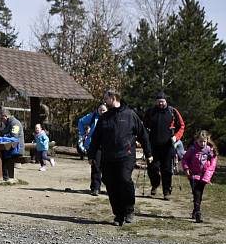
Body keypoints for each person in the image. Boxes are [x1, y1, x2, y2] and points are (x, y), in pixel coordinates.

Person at [87, 89, 152, 226]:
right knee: (111, 184)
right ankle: (118, 214)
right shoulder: (105, 117)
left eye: (106, 98)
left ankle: (129, 209)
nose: (104, 100)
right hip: (108, 157)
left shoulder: (130, 115)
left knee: (124, 180)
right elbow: (96, 138)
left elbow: (143, 135)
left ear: (113, 97)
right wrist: (91, 155)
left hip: (126, 156)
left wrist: (148, 153)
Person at [143, 91, 185, 200]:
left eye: (162, 101)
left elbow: (181, 126)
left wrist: (176, 137)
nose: (160, 104)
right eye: (158, 102)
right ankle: (155, 185)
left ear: (166, 101)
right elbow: (144, 127)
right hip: (153, 146)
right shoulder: (150, 112)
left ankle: (166, 191)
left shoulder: (172, 112)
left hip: (168, 146)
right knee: (152, 168)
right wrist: (144, 138)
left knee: (167, 170)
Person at [181, 130, 218, 223]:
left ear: (207, 140)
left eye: (204, 141)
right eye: (200, 141)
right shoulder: (192, 149)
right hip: (193, 175)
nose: (202, 143)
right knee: (196, 192)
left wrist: (207, 176)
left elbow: (212, 164)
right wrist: (186, 169)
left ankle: (196, 210)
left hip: (204, 176)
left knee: (199, 193)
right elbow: (185, 159)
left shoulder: (210, 150)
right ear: (197, 140)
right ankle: (197, 212)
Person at [77, 103, 108, 195]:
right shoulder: (93, 116)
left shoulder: (111, 117)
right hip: (94, 145)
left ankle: (110, 188)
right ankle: (95, 188)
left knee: (107, 168)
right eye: (100, 110)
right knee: (96, 166)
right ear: (97, 110)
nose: (102, 112)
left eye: (104, 110)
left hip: (107, 145)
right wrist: (83, 133)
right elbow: (81, 121)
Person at [0, 109, 25, 181]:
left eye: (2, 118)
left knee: (2, 156)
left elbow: (14, 136)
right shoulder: (9, 123)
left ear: (5, 116)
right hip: (12, 148)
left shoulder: (15, 123)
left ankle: (5, 177)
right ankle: (3, 176)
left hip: (17, 149)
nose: (2, 120)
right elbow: (4, 132)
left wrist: (3, 136)